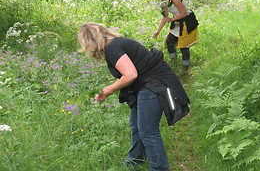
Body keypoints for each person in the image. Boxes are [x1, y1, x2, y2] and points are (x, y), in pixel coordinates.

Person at [77, 22, 190, 171]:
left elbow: (130, 74)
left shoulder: (112, 47)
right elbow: (131, 72)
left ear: (90, 41)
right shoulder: (114, 45)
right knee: (137, 126)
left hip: (154, 85)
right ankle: (135, 161)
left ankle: (159, 168)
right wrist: (106, 91)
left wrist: (109, 90)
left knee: (148, 131)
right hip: (146, 85)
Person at [151, 0, 199, 75]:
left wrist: (172, 19)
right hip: (177, 23)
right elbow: (165, 17)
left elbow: (184, 13)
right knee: (169, 42)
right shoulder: (164, 2)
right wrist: (158, 30)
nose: (157, 0)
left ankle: (185, 69)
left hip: (186, 23)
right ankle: (174, 63)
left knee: (184, 47)